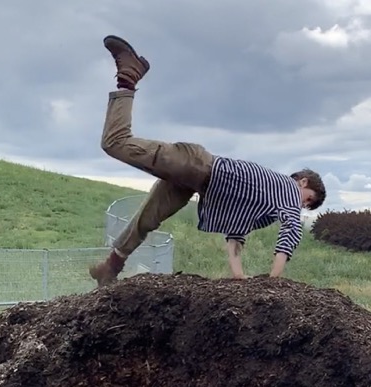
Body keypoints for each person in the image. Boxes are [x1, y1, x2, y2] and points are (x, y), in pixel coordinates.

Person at [89, 35, 326, 287]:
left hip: (194, 182)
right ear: (302, 181)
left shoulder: (266, 202)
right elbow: (291, 231)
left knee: (148, 219)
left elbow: (236, 233)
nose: (302, 206)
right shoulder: (287, 190)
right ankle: (128, 77)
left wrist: (238, 276)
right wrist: (274, 281)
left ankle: (110, 267)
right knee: (115, 143)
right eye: (308, 199)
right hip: (197, 165)